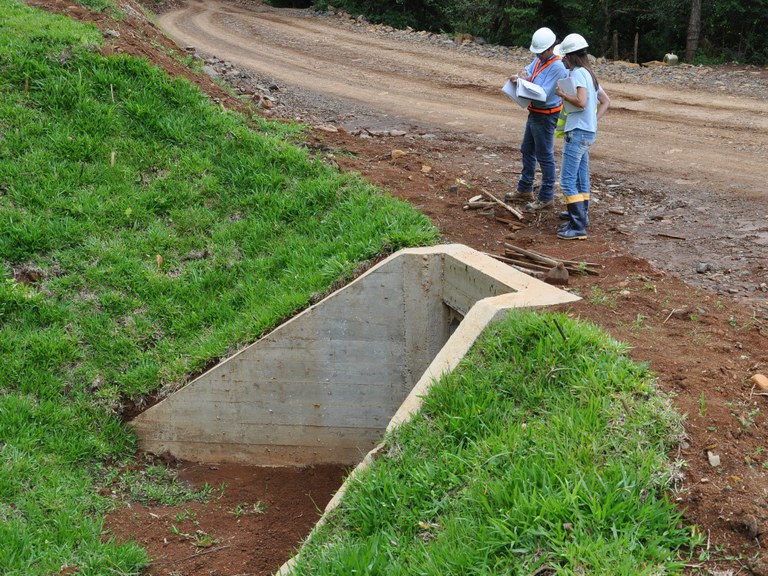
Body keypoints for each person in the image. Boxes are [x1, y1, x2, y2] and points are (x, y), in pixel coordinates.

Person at [505, 27, 568, 211]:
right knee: (527, 149)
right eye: (537, 53)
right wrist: (522, 75)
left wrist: (524, 82)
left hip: (546, 115)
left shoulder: (557, 66)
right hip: (535, 113)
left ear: (550, 48)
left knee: (544, 155)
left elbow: (542, 93)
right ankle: (525, 188)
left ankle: (546, 196)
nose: (538, 56)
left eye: (541, 53)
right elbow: (529, 70)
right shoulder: (540, 58)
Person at [554, 33, 609, 240]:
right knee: (581, 176)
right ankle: (581, 216)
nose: (563, 61)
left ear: (570, 56)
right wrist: (593, 121)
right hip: (588, 132)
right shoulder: (590, 74)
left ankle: (577, 226)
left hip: (577, 132)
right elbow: (605, 101)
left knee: (567, 180)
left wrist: (563, 95)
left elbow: (581, 102)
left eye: (564, 57)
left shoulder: (577, 73)